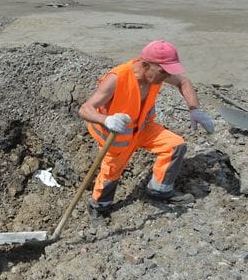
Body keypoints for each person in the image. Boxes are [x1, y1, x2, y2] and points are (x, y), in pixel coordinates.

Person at [78, 40, 214, 220]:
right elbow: (85, 109)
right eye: (162, 71)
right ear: (145, 65)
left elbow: (183, 81)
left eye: (168, 72)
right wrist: (107, 120)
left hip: (142, 126)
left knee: (175, 145)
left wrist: (194, 108)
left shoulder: (156, 74)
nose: (165, 77)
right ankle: (98, 207)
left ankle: (159, 190)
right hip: (117, 134)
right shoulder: (117, 78)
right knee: (111, 173)